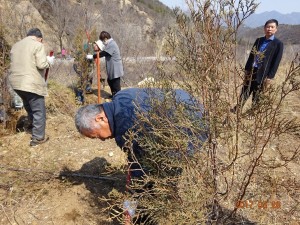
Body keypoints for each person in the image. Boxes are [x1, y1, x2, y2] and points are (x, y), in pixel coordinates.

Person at [75, 88, 208, 177]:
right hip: (192, 103)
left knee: (165, 171)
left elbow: (141, 166)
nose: (102, 140)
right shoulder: (121, 95)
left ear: (100, 118)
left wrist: (135, 196)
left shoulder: (124, 129)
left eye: (97, 136)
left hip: (192, 127)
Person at [9, 28, 54, 146]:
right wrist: (49, 61)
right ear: (39, 38)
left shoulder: (16, 45)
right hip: (30, 83)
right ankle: (38, 138)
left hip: (16, 83)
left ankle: (31, 126)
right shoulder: (37, 45)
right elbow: (41, 64)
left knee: (29, 106)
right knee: (39, 110)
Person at [232, 19, 284, 114]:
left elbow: (276, 62)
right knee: (245, 90)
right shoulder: (259, 40)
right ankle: (237, 108)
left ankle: (252, 112)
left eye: (272, 27)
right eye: (268, 27)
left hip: (263, 72)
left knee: (257, 93)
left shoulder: (278, 44)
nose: (269, 29)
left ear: (276, 29)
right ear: (264, 28)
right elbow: (251, 56)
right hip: (252, 70)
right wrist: (247, 69)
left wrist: (270, 76)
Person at [87, 31, 124, 97]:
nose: (103, 42)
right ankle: (114, 95)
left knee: (115, 84)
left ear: (106, 39)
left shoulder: (112, 44)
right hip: (112, 68)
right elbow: (102, 49)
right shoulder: (109, 44)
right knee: (110, 81)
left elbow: (105, 53)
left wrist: (93, 56)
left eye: (103, 40)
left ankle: (118, 98)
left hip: (115, 68)